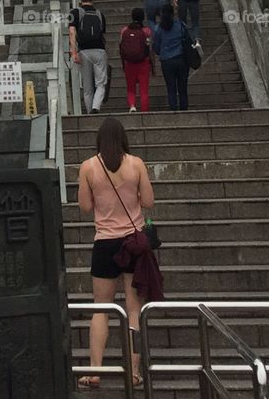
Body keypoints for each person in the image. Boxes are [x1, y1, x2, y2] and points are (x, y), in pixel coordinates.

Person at [77, 118, 154, 388]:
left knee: (101, 309)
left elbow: (85, 206)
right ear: (123, 138)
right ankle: (133, 373)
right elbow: (148, 201)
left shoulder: (88, 167)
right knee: (134, 310)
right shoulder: (136, 164)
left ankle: (94, 371)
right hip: (133, 242)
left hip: (105, 243)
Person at [69, 0, 108, 114]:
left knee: (87, 87)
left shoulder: (75, 12)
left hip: (84, 52)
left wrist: (74, 52)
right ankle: (96, 108)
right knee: (101, 83)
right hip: (100, 51)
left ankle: (90, 112)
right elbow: (102, 33)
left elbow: (71, 32)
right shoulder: (99, 14)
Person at [152, 3, 190, 111]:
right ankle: (184, 108)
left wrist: (162, 52)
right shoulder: (180, 25)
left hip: (166, 61)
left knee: (171, 87)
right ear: (173, 13)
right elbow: (187, 39)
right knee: (183, 87)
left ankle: (173, 108)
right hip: (181, 58)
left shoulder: (158, 28)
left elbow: (156, 46)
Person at [120, 8, 153, 112]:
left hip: (129, 63)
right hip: (143, 63)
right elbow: (150, 49)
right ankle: (144, 111)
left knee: (130, 88)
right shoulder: (147, 31)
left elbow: (121, 47)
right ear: (143, 17)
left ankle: (132, 105)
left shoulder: (124, 30)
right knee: (144, 90)